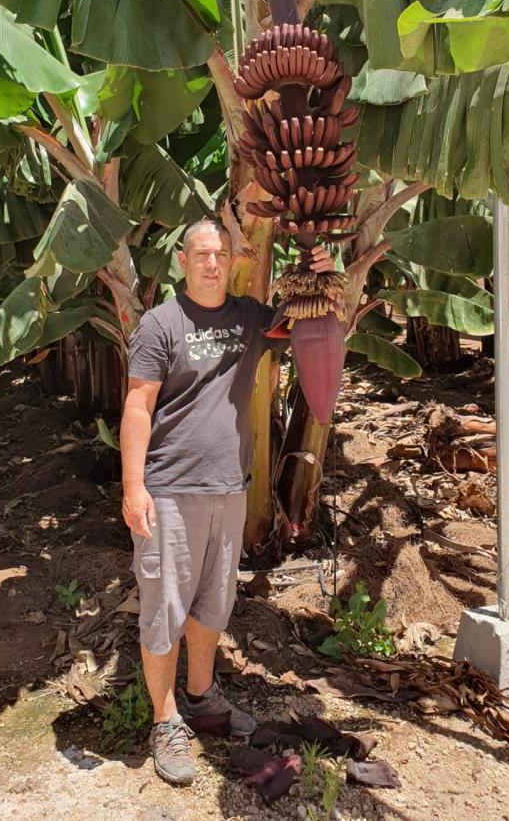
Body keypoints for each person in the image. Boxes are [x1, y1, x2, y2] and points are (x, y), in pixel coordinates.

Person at [120, 217, 335, 786]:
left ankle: (200, 697)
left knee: (212, 605)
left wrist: (322, 275)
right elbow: (139, 406)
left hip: (230, 490)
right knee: (164, 608)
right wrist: (133, 486)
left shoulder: (249, 317)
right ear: (183, 262)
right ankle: (164, 718)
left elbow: (309, 327)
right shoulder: (160, 324)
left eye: (220, 253)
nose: (211, 263)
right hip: (169, 490)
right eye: (200, 254)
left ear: (233, 260)